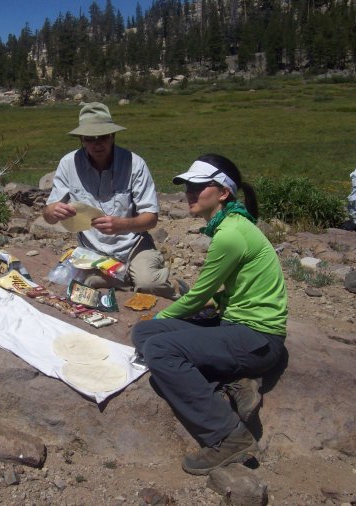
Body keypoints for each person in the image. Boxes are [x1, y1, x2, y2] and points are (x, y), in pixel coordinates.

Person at [130, 154, 288, 476]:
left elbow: (199, 296)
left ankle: (228, 437)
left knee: (159, 348)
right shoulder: (230, 225)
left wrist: (163, 318)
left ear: (223, 193)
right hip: (237, 327)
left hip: (257, 338)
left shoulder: (229, 235)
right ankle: (235, 380)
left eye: (199, 186)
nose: (190, 192)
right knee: (143, 333)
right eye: (188, 186)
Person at [42, 102, 186, 299]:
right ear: (82, 139)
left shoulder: (135, 164)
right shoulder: (69, 163)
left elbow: (151, 218)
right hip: (93, 251)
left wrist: (122, 224)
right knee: (86, 285)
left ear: (113, 136)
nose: (97, 144)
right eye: (90, 139)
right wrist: (53, 211)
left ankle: (174, 285)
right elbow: (48, 215)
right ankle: (126, 276)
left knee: (148, 284)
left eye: (103, 137)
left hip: (134, 245)